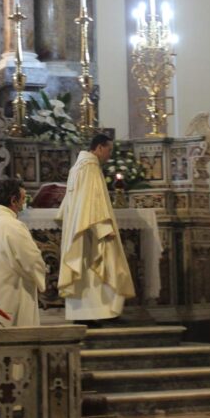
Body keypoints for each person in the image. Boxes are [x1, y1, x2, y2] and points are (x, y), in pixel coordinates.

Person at [57, 133, 135, 323]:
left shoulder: (77, 167)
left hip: (79, 227)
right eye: (108, 150)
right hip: (91, 228)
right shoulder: (90, 168)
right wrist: (103, 229)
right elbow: (93, 202)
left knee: (84, 271)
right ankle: (99, 312)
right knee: (101, 264)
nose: (109, 155)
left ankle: (82, 313)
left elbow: (70, 203)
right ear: (99, 148)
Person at [0, 178, 46, 327]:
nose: (23, 204)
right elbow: (32, 260)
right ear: (13, 200)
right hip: (9, 294)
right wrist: (41, 276)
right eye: (23, 199)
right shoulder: (13, 225)